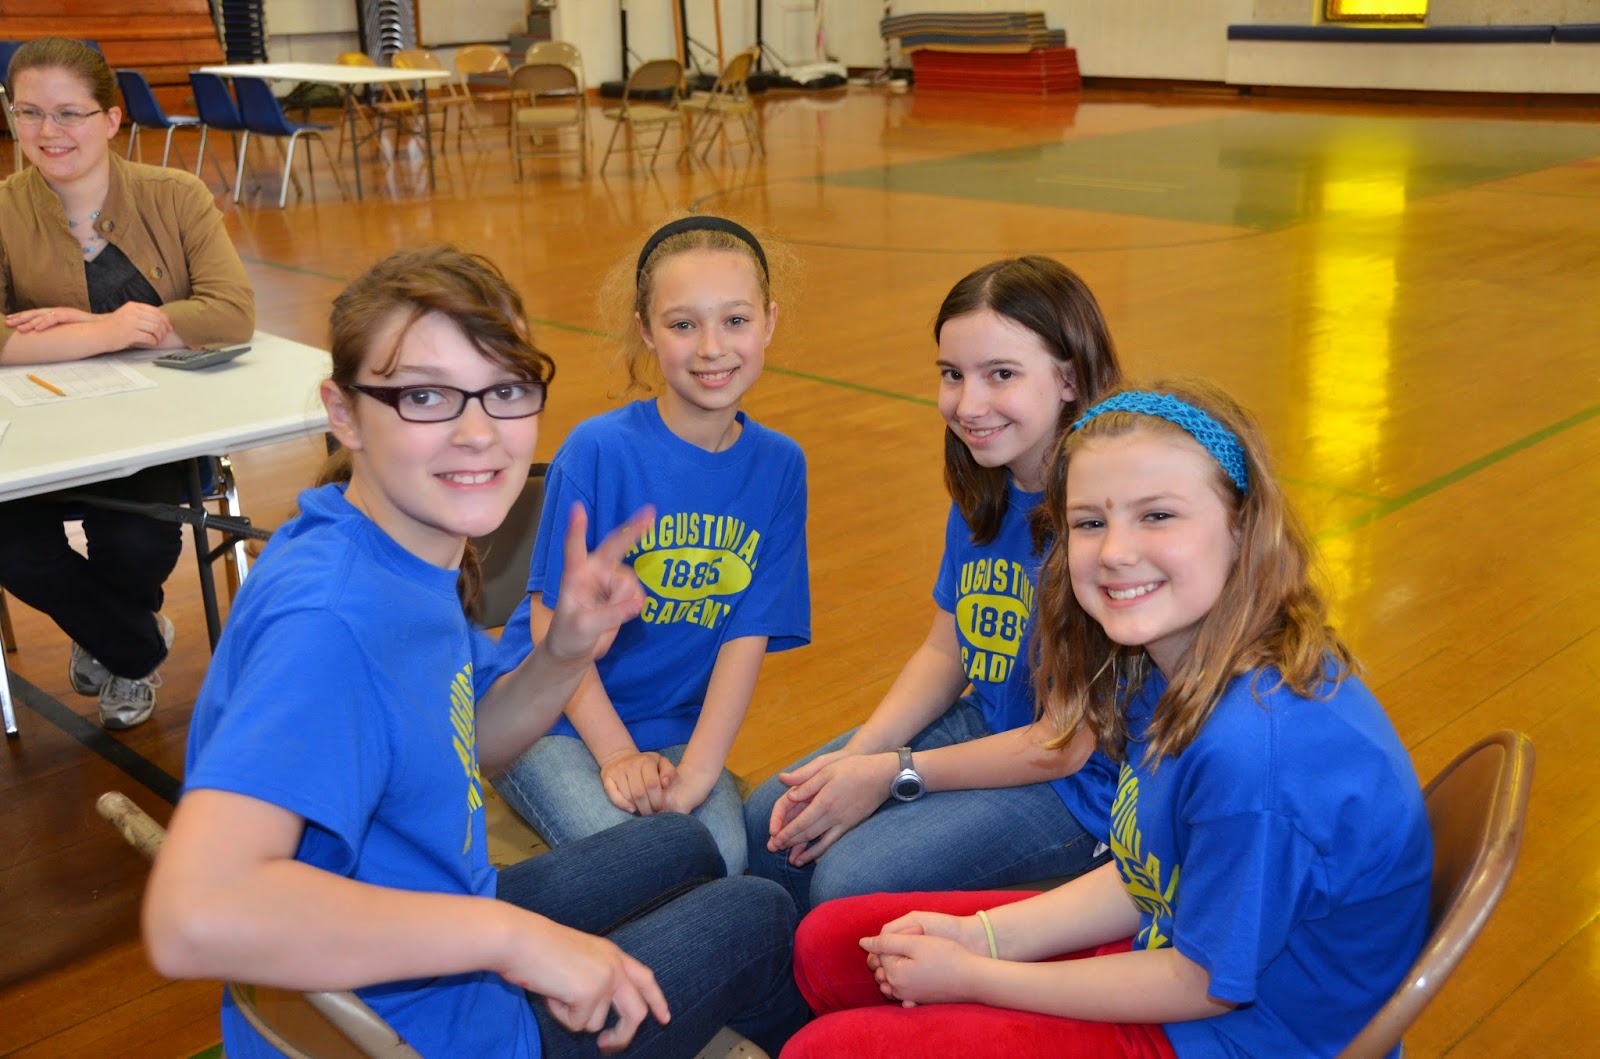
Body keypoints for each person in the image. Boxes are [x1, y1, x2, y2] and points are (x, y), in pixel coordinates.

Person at [142, 245, 808, 1059]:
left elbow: (471, 739)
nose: (478, 432)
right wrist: (513, 940)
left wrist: (563, 655)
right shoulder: (330, 621)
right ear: (343, 413)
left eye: (505, 389)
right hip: (438, 1030)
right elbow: (193, 917)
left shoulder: (386, 547)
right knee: (758, 913)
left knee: (684, 843)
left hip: (431, 926)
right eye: (425, 395)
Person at [782, 379, 1433, 1058]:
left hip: (1230, 1031)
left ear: (1242, 528)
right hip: (1171, 948)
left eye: (1158, 515)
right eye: (1090, 522)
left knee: (826, 1050)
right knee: (828, 946)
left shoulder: (1256, 754)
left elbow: (1202, 984)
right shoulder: (1169, 662)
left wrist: (977, 975)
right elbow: (1149, 873)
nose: (1116, 551)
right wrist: (982, 936)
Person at [745, 256, 1123, 914]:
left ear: (1069, 377)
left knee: (850, 878)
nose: (968, 405)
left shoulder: (1102, 521)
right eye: (952, 374)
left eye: (1000, 374)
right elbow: (947, 651)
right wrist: (859, 755)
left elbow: (1063, 743)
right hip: (994, 722)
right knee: (772, 815)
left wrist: (892, 773)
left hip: (1079, 787)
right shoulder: (988, 487)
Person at [492, 215, 810, 875]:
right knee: (647, 864)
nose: (712, 348)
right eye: (683, 324)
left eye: (735, 320)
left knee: (719, 863)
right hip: (552, 716)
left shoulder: (781, 466)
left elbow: (745, 637)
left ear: (770, 323)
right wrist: (615, 754)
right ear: (645, 330)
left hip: (672, 726)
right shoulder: (598, 449)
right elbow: (551, 626)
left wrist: (698, 773)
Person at [0, 36, 255, 728]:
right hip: (40, 434)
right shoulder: (4, 209)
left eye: (69, 113)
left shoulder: (175, 195)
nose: (48, 131)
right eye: (29, 112)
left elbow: (230, 312)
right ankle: (134, 646)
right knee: (12, 545)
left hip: (157, 430)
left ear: (111, 119)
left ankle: (107, 638)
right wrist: (109, 331)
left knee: (139, 540)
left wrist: (86, 328)